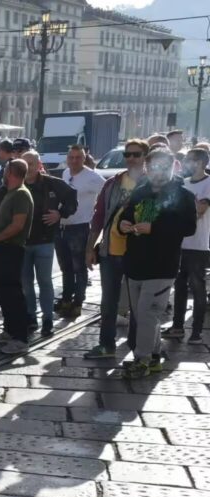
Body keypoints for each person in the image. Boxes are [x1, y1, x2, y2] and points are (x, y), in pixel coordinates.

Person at [117, 148, 197, 379]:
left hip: (162, 266)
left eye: (163, 167)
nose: (158, 172)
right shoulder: (140, 192)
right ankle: (153, 357)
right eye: (153, 167)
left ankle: (141, 360)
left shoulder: (183, 195)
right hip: (135, 263)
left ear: (173, 167)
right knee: (142, 316)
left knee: (147, 314)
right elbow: (127, 215)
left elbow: (189, 227)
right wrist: (123, 224)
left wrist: (154, 228)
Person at [84, 139, 149, 359]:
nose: (131, 158)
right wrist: (90, 248)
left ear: (145, 157)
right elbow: (99, 217)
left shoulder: (151, 184)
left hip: (137, 254)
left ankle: (136, 348)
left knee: (137, 305)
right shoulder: (113, 183)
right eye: (127, 154)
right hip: (110, 251)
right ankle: (106, 345)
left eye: (136, 154)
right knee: (108, 302)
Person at [19, 151, 77, 338]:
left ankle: (47, 319)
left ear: (39, 165)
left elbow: (71, 198)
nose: (28, 167)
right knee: (26, 282)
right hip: (22, 242)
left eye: (31, 163)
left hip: (45, 241)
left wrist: (60, 213)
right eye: (25, 164)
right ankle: (30, 317)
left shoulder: (52, 183)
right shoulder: (16, 183)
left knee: (44, 281)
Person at [0, 159, 32, 355]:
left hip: (12, 249)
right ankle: (10, 331)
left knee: (13, 294)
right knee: (3, 291)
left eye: (5, 171)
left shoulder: (21, 194)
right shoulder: (10, 192)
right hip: (3, 248)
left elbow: (18, 225)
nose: (2, 173)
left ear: (10, 173)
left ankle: (20, 338)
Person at [165, 149, 210, 344]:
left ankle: (197, 331)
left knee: (198, 287)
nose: (185, 164)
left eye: (189, 160)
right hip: (178, 243)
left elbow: (200, 210)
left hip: (198, 244)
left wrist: (186, 209)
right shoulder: (182, 183)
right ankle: (177, 327)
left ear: (199, 163)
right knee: (180, 286)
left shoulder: (208, 183)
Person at [57, 145, 105, 320]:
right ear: (67, 159)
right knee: (66, 268)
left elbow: (106, 193)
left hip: (80, 228)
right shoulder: (65, 173)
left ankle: (78, 302)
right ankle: (66, 300)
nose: (74, 161)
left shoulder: (93, 177)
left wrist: (97, 212)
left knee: (79, 268)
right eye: (71, 157)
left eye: (78, 157)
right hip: (62, 227)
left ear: (84, 159)